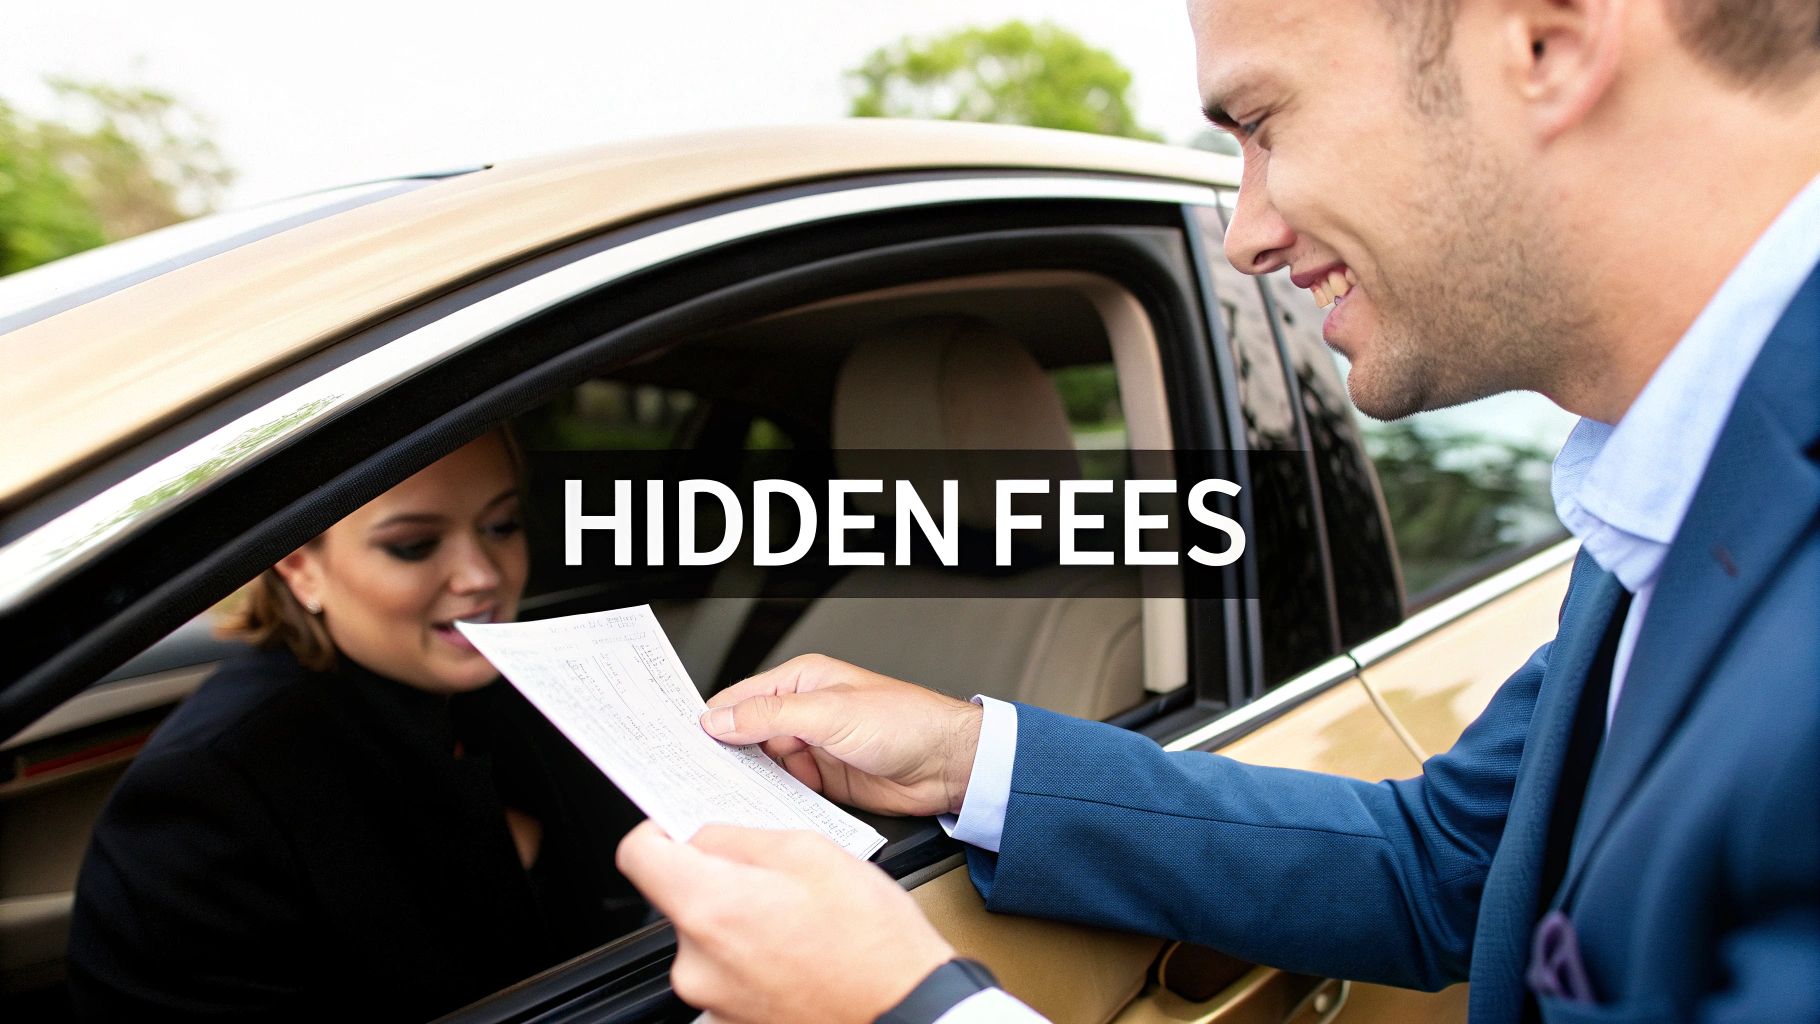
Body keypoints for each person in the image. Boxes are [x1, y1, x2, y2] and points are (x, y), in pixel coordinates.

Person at [614, 0, 1820, 1021]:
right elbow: (1448, 863)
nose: (1242, 234)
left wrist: (911, 1008)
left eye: (1259, 124)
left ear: (1545, 46)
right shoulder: (1670, 477)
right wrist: (970, 757)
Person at [69, 433, 648, 1021]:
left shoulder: (514, 684)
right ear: (301, 568)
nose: (480, 575)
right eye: (415, 545)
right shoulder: (214, 789)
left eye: (501, 526)